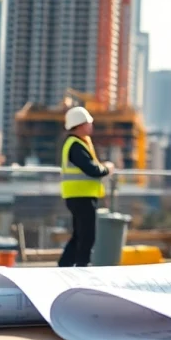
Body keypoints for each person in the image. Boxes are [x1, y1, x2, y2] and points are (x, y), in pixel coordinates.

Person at [58, 105, 113, 267]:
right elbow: (92, 169)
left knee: (79, 235)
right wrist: (107, 169)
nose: (91, 125)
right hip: (80, 196)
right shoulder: (75, 145)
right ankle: (81, 267)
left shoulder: (80, 143)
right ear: (80, 125)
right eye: (89, 123)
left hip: (81, 195)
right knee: (87, 235)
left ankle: (65, 267)